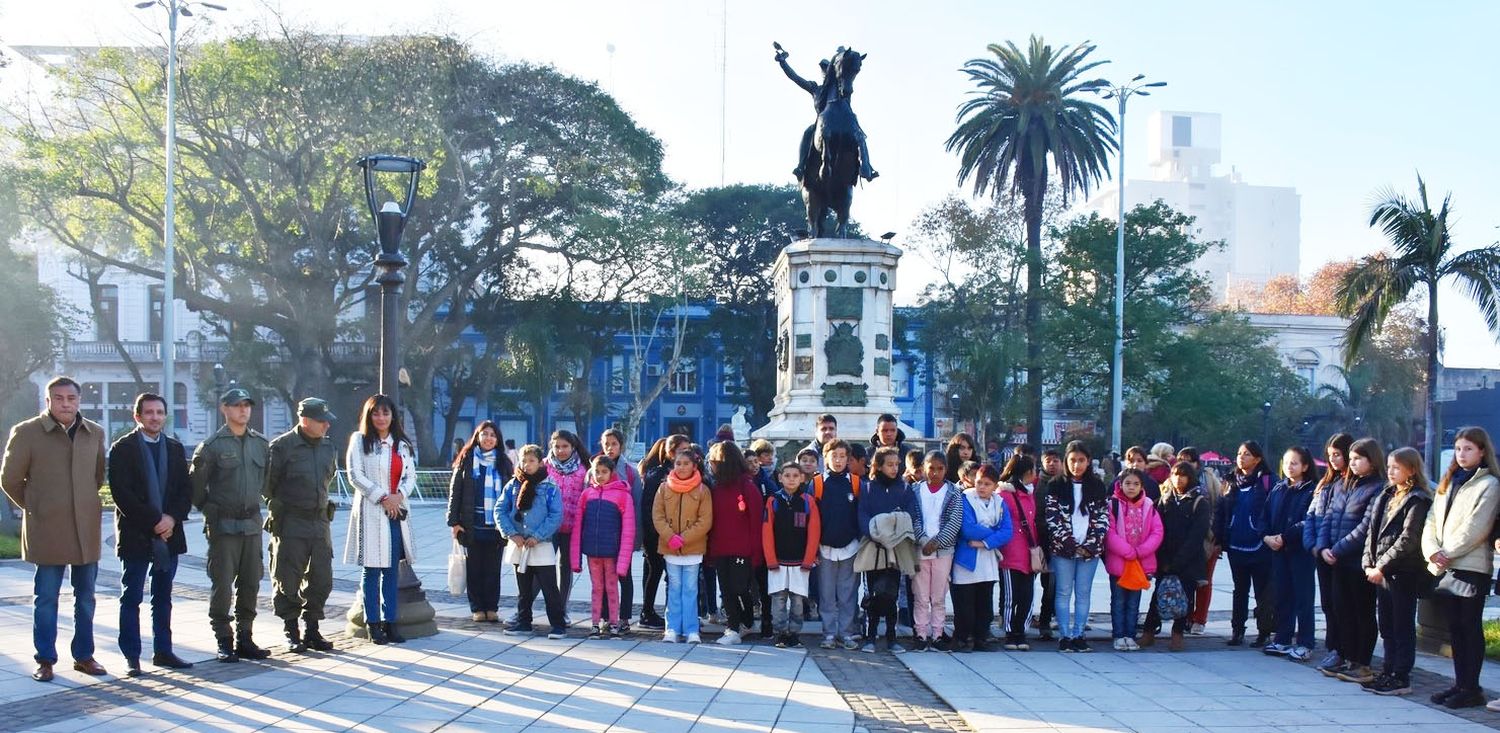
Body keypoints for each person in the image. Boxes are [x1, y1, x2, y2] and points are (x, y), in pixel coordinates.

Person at [1, 377, 107, 682]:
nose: (65, 404)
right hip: (47, 528)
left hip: (84, 529)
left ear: (79, 400)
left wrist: (80, 504)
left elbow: (97, 477)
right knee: (46, 597)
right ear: (48, 402)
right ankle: (45, 659)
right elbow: (9, 480)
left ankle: (84, 656)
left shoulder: (93, 433)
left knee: (85, 597)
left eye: (71, 398)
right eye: (58, 398)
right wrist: (37, 507)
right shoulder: (27, 432)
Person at [108, 392, 193, 675]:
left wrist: (170, 519)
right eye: (149, 413)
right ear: (138, 416)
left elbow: (185, 490)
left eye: (159, 412)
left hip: (169, 535)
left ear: (165, 416)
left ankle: (163, 651)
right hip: (137, 535)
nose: (154, 417)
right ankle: (132, 655)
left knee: (163, 596)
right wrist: (154, 521)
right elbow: (122, 494)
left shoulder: (175, 448)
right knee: (131, 596)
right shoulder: (123, 448)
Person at [190, 387, 273, 662]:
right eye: (236, 405)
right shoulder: (212, 447)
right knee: (222, 586)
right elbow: (196, 490)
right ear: (224, 409)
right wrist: (212, 511)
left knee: (251, 583)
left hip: (251, 525)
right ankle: (224, 640)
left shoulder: (260, 444)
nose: (243, 410)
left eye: (247, 405)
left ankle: (245, 637)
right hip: (224, 526)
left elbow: (267, 482)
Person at [1421, 427, 1499, 710]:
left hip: (1471, 566)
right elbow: (1431, 520)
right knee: (1453, 628)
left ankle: (1472, 687)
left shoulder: (1489, 484)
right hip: (1444, 565)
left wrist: (1447, 553)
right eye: (1458, 449)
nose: (1462, 454)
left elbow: (1477, 527)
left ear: (1481, 451)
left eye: (1468, 449)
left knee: (1469, 626)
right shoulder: (1449, 480)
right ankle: (1459, 683)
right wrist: (1432, 551)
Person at [265, 398, 341, 653]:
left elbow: (328, 478)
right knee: (287, 577)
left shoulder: (328, 448)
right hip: (291, 522)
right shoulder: (281, 447)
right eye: (321, 421)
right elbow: (267, 485)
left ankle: (312, 629)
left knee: (322, 578)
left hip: (319, 521)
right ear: (305, 420)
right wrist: (278, 507)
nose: (327, 425)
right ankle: (291, 630)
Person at [343, 395, 417, 645]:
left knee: (391, 570)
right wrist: (383, 497)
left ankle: (391, 622)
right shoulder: (359, 440)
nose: (381, 418)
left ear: (393, 416)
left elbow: (410, 477)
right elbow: (355, 475)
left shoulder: (401, 445)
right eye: (376, 413)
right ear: (368, 416)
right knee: (372, 569)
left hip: (396, 513)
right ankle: (373, 623)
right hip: (372, 511)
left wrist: (398, 497)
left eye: (386, 413)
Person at [1358, 447, 1432, 696]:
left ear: (1411, 469)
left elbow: (1408, 539)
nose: (1390, 471)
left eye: (1396, 467)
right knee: (1386, 625)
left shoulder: (1417, 499)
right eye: (1389, 466)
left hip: (1402, 572)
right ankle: (1388, 669)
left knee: (1402, 625)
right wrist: (1369, 562)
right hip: (1380, 571)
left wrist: (1382, 566)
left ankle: (1401, 675)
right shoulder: (1386, 495)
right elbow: (1372, 531)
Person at [1319, 438, 1386, 684]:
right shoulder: (1343, 484)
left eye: (1359, 458)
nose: (1354, 463)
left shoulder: (1377, 488)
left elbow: (1364, 527)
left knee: (1362, 612)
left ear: (1372, 460)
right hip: (1336, 560)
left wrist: (1337, 549)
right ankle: (1347, 656)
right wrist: (1323, 547)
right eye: (1353, 458)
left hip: (1357, 561)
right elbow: (1329, 516)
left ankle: (1362, 661)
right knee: (1341, 610)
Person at [774, 43, 878, 181]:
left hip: (845, 121)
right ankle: (800, 166)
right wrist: (783, 63)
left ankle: (867, 165)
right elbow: (795, 77)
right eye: (823, 70)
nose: (825, 72)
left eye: (826, 69)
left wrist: (843, 55)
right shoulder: (815, 88)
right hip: (821, 124)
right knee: (808, 132)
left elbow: (848, 73)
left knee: (860, 135)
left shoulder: (842, 90)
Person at [1044, 441, 1109, 653]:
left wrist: (1089, 545)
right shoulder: (1055, 484)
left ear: (1088, 461)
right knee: (1063, 592)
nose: (1077, 465)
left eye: (1081, 460)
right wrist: (1070, 544)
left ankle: (1079, 634)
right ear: (1066, 461)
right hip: (1064, 550)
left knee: (1083, 593)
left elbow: (1102, 518)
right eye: (1072, 460)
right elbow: (1052, 518)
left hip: (1089, 551)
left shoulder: (1097, 486)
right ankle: (1064, 635)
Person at [497, 444, 567, 639]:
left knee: (549, 587)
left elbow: (555, 515)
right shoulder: (513, 485)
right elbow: (500, 510)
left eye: (532, 461)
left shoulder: (549, 486)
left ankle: (558, 624)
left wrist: (538, 535)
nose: (527, 465)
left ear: (539, 462)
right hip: (520, 544)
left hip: (540, 544)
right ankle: (524, 621)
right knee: (524, 588)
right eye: (524, 460)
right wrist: (511, 533)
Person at [446, 422, 513, 623]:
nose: (488, 438)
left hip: (496, 526)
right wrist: (454, 522)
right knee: (474, 569)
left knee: (493, 570)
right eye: (485, 434)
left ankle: (491, 607)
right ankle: (477, 607)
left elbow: (511, 494)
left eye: (493, 435)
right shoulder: (466, 460)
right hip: (471, 524)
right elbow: (455, 491)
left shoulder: (504, 461)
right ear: (477, 436)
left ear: (498, 439)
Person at [1141, 462, 1211, 652]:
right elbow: (1156, 529)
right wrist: (1162, 559)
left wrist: (1180, 560)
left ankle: (1177, 634)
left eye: (1183, 475)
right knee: (1158, 596)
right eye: (1174, 474)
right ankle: (1148, 631)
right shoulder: (1164, 500)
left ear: (1191, 478)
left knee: (1185, 598)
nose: (1178, 479)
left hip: (1189, 561)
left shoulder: (1199, 502)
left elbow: (1197, 536)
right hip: (1165, 559)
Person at [1260, 446, 1318, 660]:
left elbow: (1308, 520)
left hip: (1299, 550)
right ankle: (1282, 638)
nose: (1289, 467)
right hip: (1277, 549)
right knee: (1282, 594)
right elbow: (1264, 516)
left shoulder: (1312, 490)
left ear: (1305, 466)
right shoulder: (1278, 488)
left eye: (1294, 463)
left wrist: (1285, 537)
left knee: (1303, 596)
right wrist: (1266, 536)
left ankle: (1305, 642)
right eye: (1286, 462)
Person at [856, 445, 915, 653]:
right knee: (873, 591)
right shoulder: (868, 488)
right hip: (873, 548)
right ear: (878, 466)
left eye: (897, 464)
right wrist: (873, 532)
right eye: (890, 464)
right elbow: (862, 513)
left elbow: (910, 514)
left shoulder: (905, 488)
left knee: (891, 594)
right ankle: (870, 637)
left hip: (896, 548)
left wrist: (895, 531)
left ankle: (892, 637)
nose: (894, 468)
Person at [1217, 441, 1275, 647]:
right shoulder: (1230, 481)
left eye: (1247, 454)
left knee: (1263, 591)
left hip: (1260, 545)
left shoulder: (1267, 481)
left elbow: (1272, 511)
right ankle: (1237, 630)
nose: (1242, 457)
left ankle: (1264, 631)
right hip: (1235, 543)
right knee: (1239, 589)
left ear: (1258, 459)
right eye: (1240, 453)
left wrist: (1266, 534)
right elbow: (1221, 511)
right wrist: (1219, 538)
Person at [571, 455, 636, 639]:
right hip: (593, 551)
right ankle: (595, 623)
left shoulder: (623, 495)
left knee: (611, 587)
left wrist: (624, 560)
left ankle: (614, 623)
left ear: (612, 473)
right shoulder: (587, 494)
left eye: (604, 472)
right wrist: (575, 558)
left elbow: (628, 529)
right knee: (596, 587)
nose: (600, 476)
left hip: (612, 552)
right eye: (596, 472)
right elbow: (578, 526)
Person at [1304, 433, 1354, 671]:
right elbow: (1313, 515)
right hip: (1322, 550)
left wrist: (1331, 548)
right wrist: (1315, 545)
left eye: (1338, 454)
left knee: (1342, 604)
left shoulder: (1351, 484)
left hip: (1341, 552)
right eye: (1330, 455)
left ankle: (1343, 650)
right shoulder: (1326, 483)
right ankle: (1333, 646)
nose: (1334, 459)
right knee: (1328, 603)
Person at [951, 465, 1013, 653]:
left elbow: (1007, 531)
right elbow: (967, 528)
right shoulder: (965, 498)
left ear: (995, 486)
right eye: (979, 482)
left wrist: (985, 542)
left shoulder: (1000, 502)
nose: (982, 487)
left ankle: (981, 637)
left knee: (984, 603)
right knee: (965, 602)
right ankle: (963, 638)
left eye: (987, 484)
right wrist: (994, 534)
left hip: (988, 559)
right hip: (967, 560)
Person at [654, 449, 714, 643]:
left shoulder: (702, 490)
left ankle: (691, 629)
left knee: (690, 588)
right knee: (674, 587)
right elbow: (658, 515)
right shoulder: (664, 488)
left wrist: (685, 537)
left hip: (693, 548)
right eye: (678, 463)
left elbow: (705, 520)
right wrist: (670, 536)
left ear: (694, 466)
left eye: (686, 464)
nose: (681, 467)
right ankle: (672, 627)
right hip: (670, 547)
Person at [1104, 468, 1163, 652]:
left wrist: (1142, 551)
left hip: (1140, 562)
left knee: (1134, 602)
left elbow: (1157, 531)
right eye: (1127, 483)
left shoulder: (1148, 505)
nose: (1131, 487)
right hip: (1120, 561)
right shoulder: (1113, 504)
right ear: (1120, 485)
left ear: (1142, 486)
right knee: (1119, 600)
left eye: (1136, 484)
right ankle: (1118, 635)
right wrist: (1128, 551)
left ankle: (1130, 635)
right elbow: (1109, 532)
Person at [909, 450, 963, 651]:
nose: (935, 473)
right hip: (920, 549)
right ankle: (921, 633)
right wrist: (923, 540)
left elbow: (954, 521)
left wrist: (938, 542)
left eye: (940, 469)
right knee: (921, 595)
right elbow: (912, 517)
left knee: (938, 595)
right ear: (924, 468)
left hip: (943, 551)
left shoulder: (953, 492)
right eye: (931, 468)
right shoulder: (915, 491)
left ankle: (938, 633)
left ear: (946, 470)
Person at [763, 462, 820, 648]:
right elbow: (766, 531)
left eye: (795, 475)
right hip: (778, 561)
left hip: (800, 562)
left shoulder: (807, 501)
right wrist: (770, 559)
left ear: (802, 478)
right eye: (787, 475)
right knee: (778, 600)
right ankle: (780, 633)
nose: (791, 479)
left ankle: (794, 633)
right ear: (780, 478)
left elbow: (814, 531)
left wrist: (809, 559)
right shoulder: (773, 501)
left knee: (797, 601)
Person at [814, 439, 862, 650]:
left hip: (850, 547)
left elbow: (860, 515)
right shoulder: (817, 484)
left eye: (843, 456)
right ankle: (829, 633)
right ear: (825, 458)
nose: (839, 460)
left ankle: (846, 633)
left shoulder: (856, 483)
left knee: (848, 594)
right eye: (834, 456)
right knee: (826, 594)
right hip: (825, 548)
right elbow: (812, 518)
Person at [637, 435, 687, 630]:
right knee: (655, 570)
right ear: (671, 452)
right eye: (682, 449)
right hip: (656, 532)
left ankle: (668, 613)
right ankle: (647, 612)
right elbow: (649, 506)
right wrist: (652, 533)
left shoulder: (680, 471)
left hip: (673, 532)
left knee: (666, 573)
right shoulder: (658, 474)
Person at [997, 454, 1041, 650]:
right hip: (1011, 552)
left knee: (1027, 596)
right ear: (1027, 472)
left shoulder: (1030, 494)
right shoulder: (1004, 495)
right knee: (1010, 596)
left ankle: (1021, 631)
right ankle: (1009, 632)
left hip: (1029, 553)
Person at [599, 429, 641, 629]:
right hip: (602, 534)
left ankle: (624, 618)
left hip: (623, 535)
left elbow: (638, 506)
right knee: (605, 578)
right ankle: (607, 617)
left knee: (625, 576)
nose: (609, 448)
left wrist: (635, 539)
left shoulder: (631, 472)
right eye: (606, 444)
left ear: (621, 445)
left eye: (614, 443)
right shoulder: (595, 471)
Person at [545, 430, 589, 624]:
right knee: (542, 568)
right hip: (547, 528)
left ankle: (561, 610)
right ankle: (526, 609)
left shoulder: (583, 469)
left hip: (572, 528)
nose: (561, 450)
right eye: (557, 446)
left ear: (573, 447)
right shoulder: (544, 467)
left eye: (565, 446)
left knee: (565, 569)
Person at [1179, 446, 1221, 635]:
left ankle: (1200, 619)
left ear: (1197, 463)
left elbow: (1219, 508)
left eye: (1189, 460)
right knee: (1186, 579)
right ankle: (1185, 617)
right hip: (1183, 539)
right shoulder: (1175, 480)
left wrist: (1216, 536)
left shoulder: (1210, 480)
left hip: (1208, 539)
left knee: (1204, 580)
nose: (1185, 464)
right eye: (1181, 459)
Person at [749, 438, 780, 639]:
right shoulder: (742, 480)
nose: (755, 465)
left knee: (764, 583)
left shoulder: (766, 478)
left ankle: (767, 620)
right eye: (751, 461)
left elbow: (775, 495)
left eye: (756, 462)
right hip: (747, 538)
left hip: (765, 537)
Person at [1034, 447, 1063, 639]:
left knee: (1052, 586)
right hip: (1039, 541)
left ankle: (1046, 621)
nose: (1052, 464)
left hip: (1059, 543)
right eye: (1048, 460)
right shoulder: (1037, 484)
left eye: (1055, 460)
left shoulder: (1065, 483)